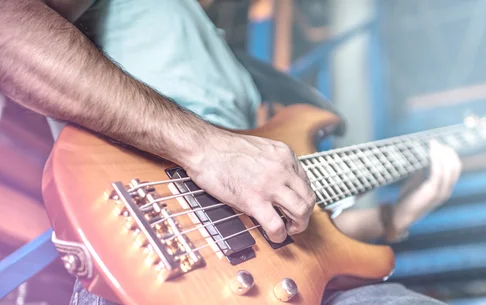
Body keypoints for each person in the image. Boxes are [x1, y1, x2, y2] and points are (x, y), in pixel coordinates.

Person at [0, 0, 461, 304]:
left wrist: (389, 220)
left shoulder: (225, 59)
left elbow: (273, 231)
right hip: (151, 257)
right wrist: (206, 148)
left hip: (265, 282)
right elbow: (8, 29)